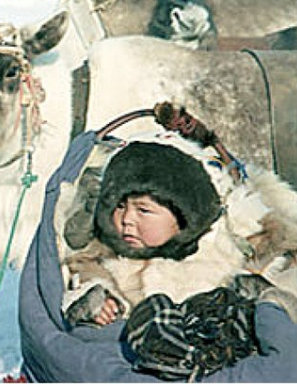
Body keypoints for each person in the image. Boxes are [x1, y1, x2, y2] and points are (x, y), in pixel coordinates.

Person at [18, 131, 297, 382]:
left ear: (181, 217)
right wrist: (91, 299)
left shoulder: (220, 254)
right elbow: (76, 276)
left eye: (144, 210)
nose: (127, 219)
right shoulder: (107, 255)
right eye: (120, 206)